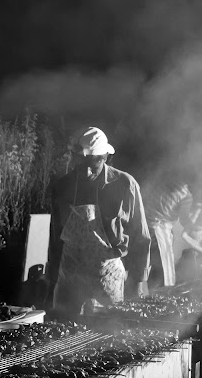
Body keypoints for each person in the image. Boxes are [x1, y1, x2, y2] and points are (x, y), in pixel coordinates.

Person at [48, 126, 151, 315]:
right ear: (72, 157)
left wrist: (138, 280)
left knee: (106, 330)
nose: (86, 172)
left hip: (107, 275)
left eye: (92, 165)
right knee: (62, 328)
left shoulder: (124, 185)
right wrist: (51, 275)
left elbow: (140, 235)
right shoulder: (62, 188)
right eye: (80, 165)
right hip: (70, 276)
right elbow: (55, 237)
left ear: (105, 158)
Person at [141, 170, 198, 288]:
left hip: (142, 226)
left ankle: (147, 296)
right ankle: (159, 299)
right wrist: (193, 227)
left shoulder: (163, 183)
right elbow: (184, 219)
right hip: (158, 231)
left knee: (148, 266)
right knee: (164, 270)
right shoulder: (186, 196)